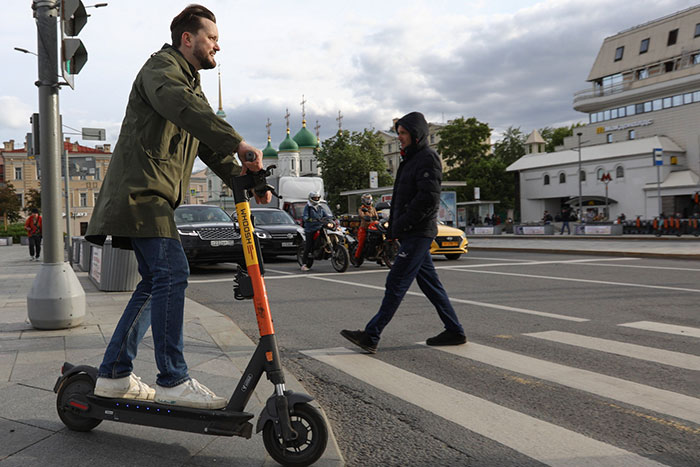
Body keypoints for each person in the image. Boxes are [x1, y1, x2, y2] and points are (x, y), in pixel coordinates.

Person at [85, 5, 269, 410]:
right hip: (141, 194)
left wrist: (247, 179)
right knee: (171, 273)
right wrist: (238, 141)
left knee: (157, 280)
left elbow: (205, 139)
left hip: (152, 196)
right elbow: (184, 108)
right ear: (188, 38)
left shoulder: (188, 83)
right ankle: (172, 378)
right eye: (212, 38)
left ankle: (114, 373)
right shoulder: (161, 71)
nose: (218, 46)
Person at [340, 112, 467, 353]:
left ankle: (371, 335)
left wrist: (401, 225)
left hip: (418, 232)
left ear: (416, 134)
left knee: (396, 281)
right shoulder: (411, 158)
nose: (399, 137)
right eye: (398, 133)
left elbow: (427, 200)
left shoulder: (427, 158)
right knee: (431, 285)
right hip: (412, 232)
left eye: (403, 133)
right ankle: (455, 330)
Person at [301, 191, 326, 271]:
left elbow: (326, 215)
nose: (316, 199)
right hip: (310, 228)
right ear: (311, 198)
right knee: (309, 246)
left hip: (320, 227)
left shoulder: (320, 207)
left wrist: (333, 217)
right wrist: (310, 219)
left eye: (317, 198)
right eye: (314, 198)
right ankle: (304, 264)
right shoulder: (308, 207)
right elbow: (305, 217)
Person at [354, 193, 378, 260]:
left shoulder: (373, 208)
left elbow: (376, 216)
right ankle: (356, 257)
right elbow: (361, 215)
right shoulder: (361, 208)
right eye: (367, 199)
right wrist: (365, 217)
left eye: (369, 199)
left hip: (373, 227)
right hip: (364, 228)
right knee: (361, 242)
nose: (368, 201)